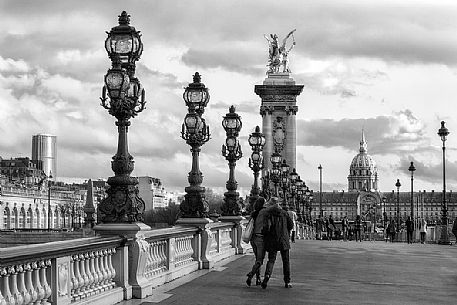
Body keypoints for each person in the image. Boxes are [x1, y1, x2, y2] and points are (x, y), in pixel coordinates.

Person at [262, 197, 294, 289]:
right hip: (284, 239)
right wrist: (286, 232)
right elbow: (291, 225)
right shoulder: (284, 213)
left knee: (271, 260)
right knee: (286, 261)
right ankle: (287, 282)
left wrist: (265, 234)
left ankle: (267, 276)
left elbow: (266, 227)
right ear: (278, 204)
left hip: (272, 239)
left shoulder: (268, 214)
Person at [246, 197, 267, 286]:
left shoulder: (253, 213)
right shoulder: (264, 212)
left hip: (253, 238)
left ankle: (258, 279)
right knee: (260, 260)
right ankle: (251, 274)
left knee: (257, 259)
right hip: (260, 238)